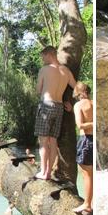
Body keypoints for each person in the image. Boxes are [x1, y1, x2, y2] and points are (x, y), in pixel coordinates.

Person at [34, 45, 77, 181]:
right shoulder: (66, 71)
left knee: (43, 141)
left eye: (43, 57)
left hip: (46, 105)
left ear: (49, 55)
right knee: (53, 141)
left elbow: (38, 90)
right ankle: (48, 173)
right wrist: (71, 103)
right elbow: (77, 89)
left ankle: (43, 171)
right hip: (59, 107)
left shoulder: (44, 70)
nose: (42, 60)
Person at [73, 81, 94, 215]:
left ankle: (87, 204)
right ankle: (90, 202)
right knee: (92, 174)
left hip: (86, 139)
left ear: (80, 93)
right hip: (94, 139)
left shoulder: (79, 105)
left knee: (86, 174)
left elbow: (80, 125)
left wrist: (93, 123)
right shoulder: (94, 103)